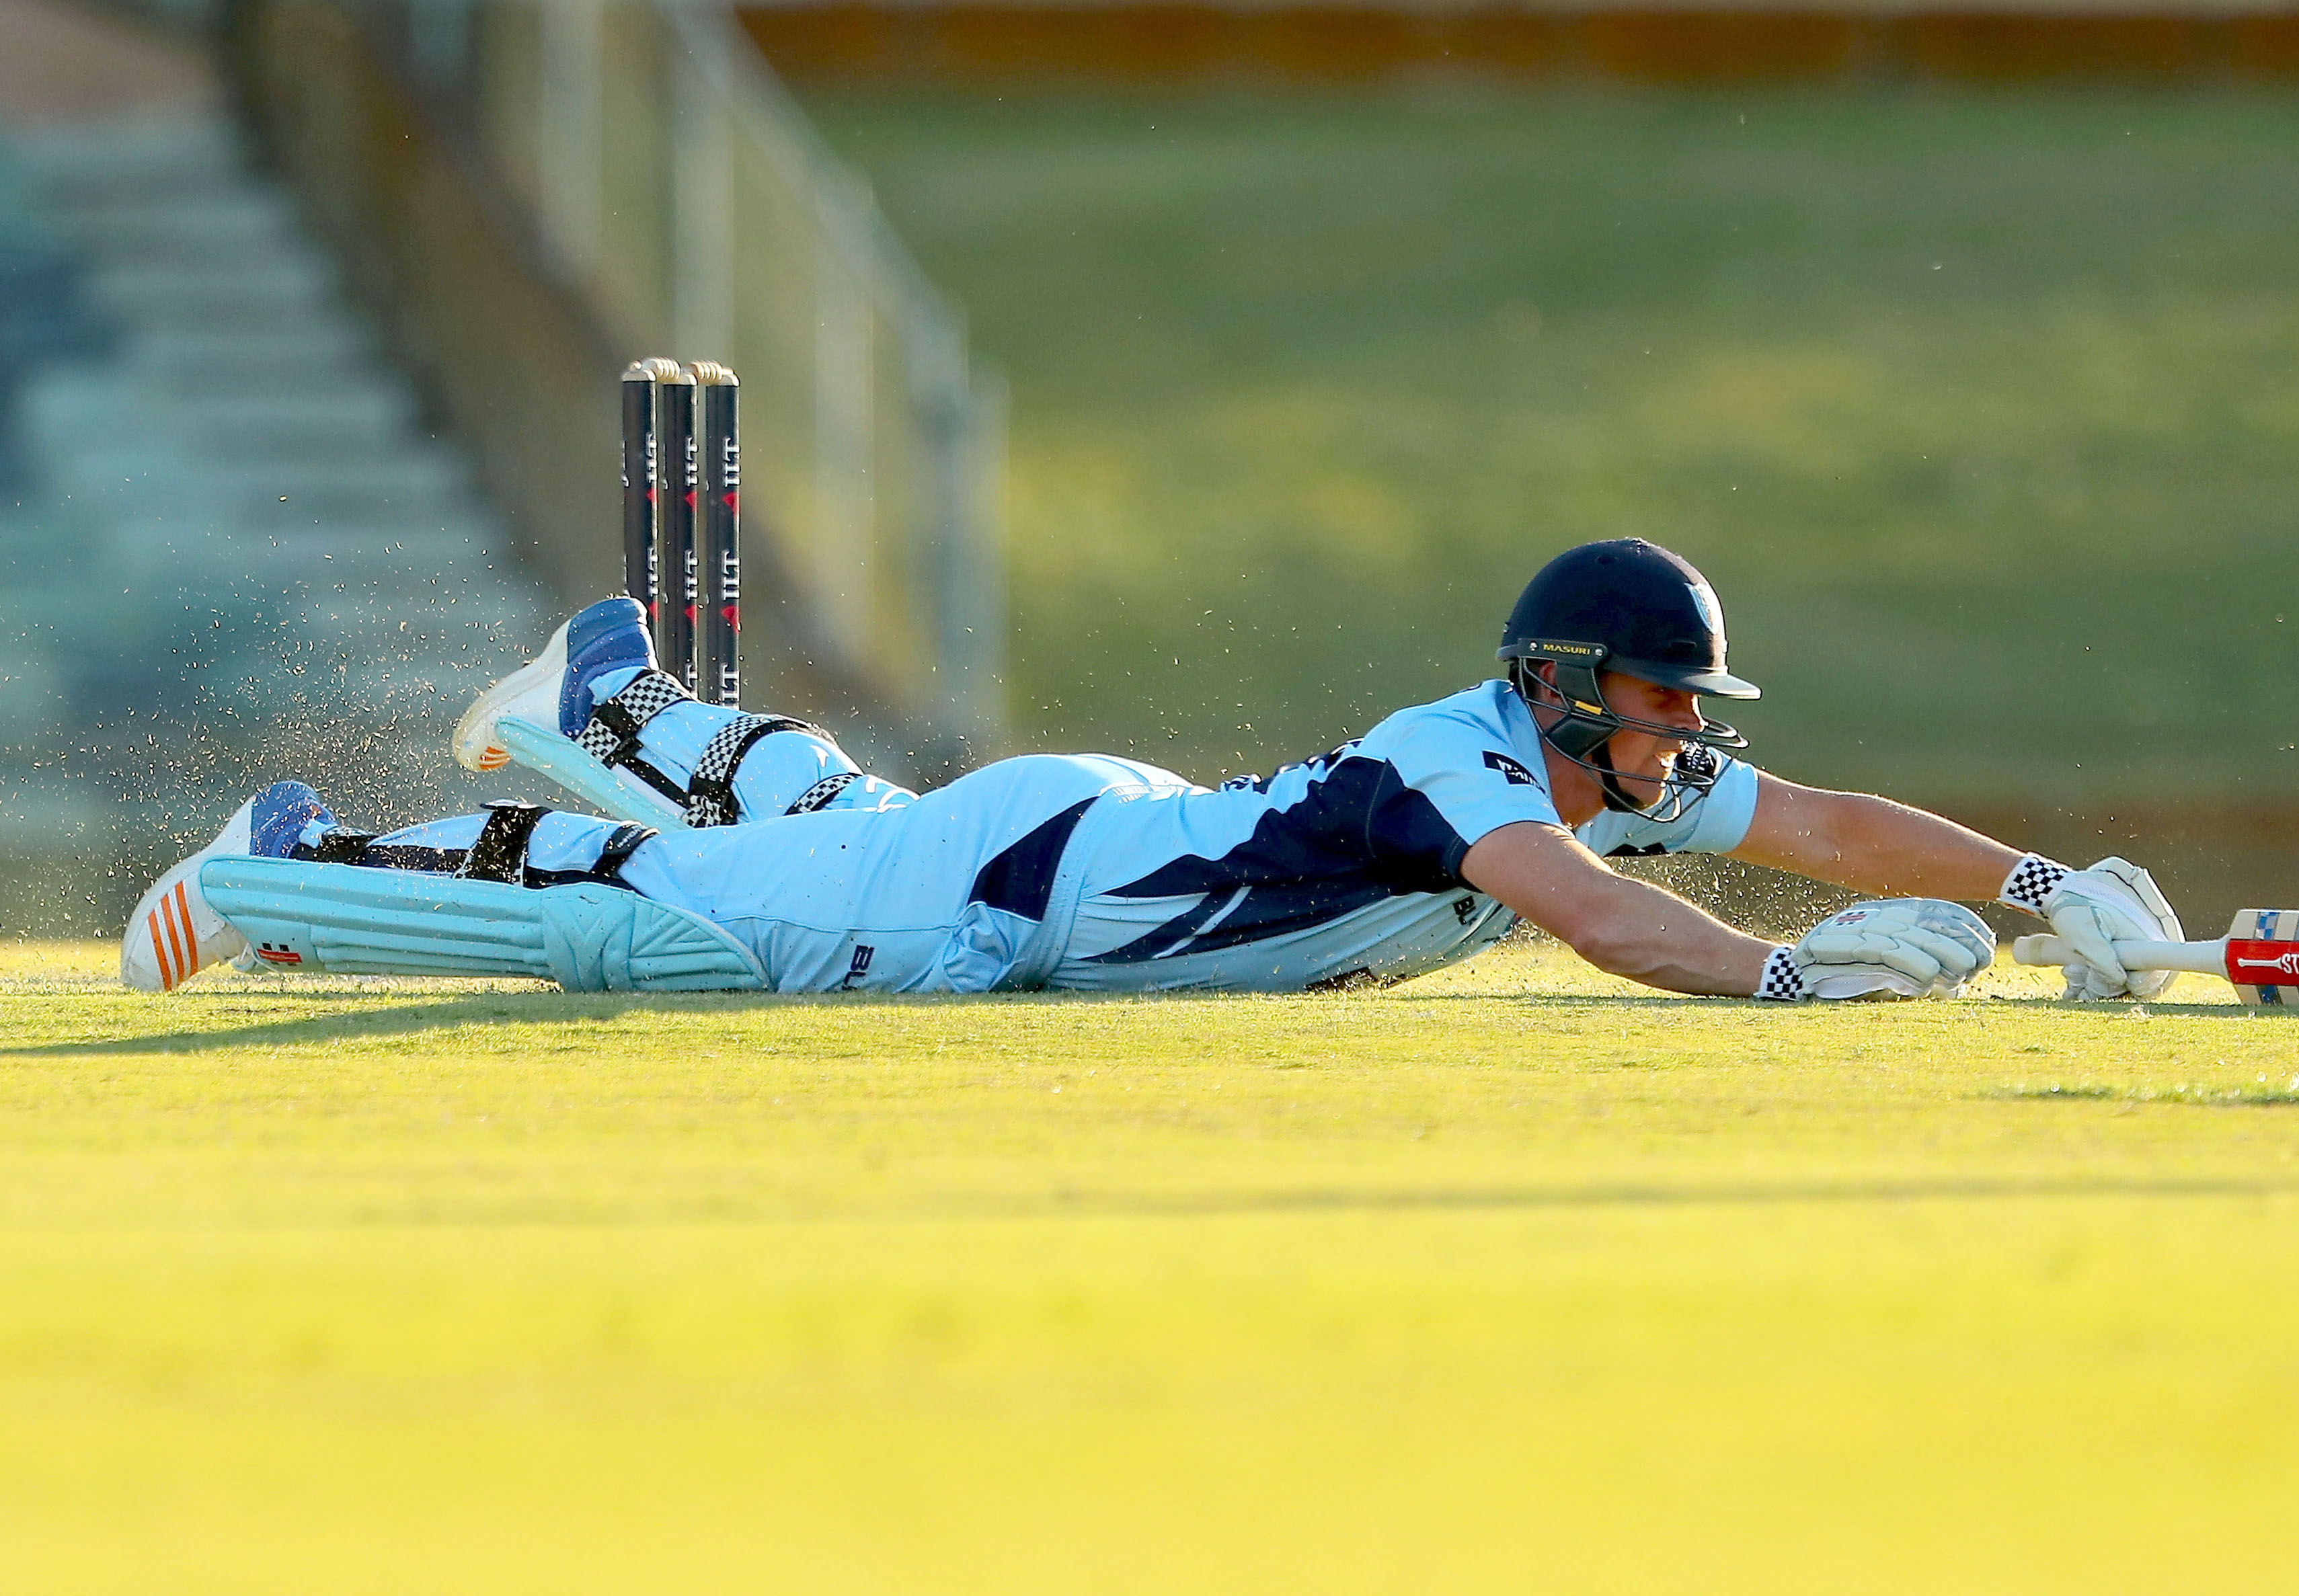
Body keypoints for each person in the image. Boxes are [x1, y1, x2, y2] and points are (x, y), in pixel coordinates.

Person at [122, 539, 2181, 1001]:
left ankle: (621, 703)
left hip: (1069, 831)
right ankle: (302, 851)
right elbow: (1588, 920)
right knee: (664, 930)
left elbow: (1815, 821)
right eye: (1658, 705)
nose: (1683, 743)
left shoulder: (1593, 769)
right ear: (1563, 691)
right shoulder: (1460, 766)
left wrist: (2031, 885)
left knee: (838, 827)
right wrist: (1788, 981)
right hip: (1006, 898)